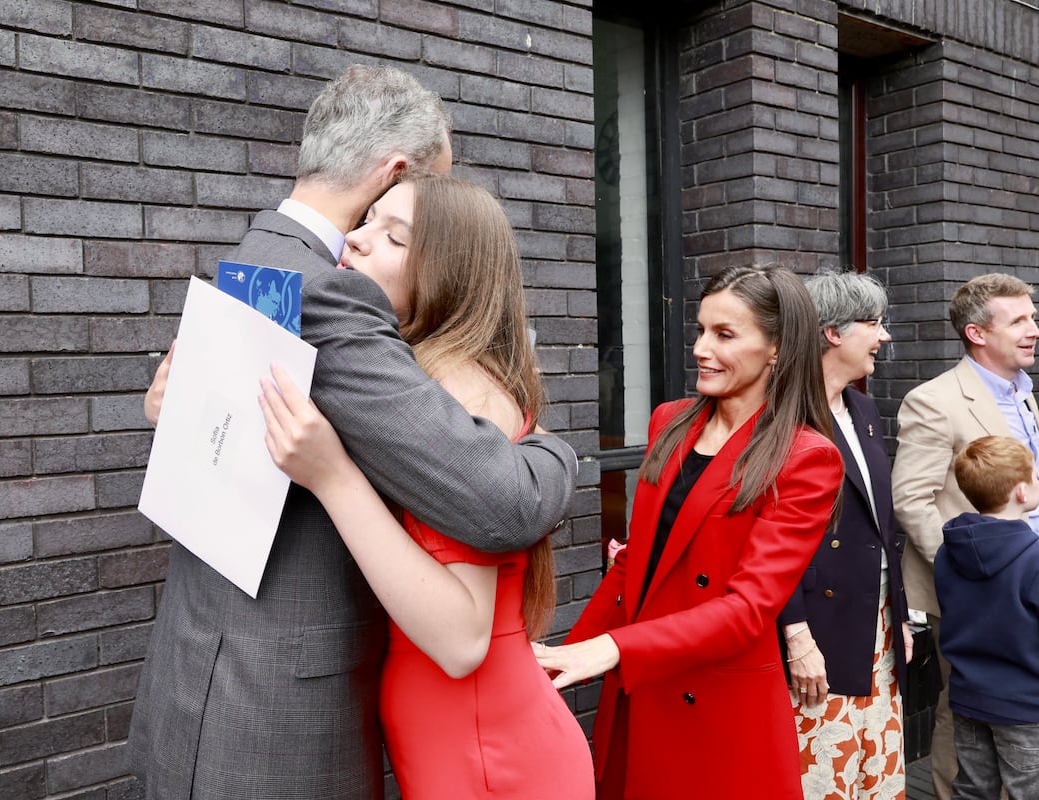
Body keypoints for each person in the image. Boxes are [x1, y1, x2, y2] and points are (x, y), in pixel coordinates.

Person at [125, 66, 579, 800]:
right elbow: (500, 502)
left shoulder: (256, 257)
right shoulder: (328, 291)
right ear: (393, 175)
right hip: (272, 716)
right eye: (425, 193)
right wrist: (555, 451)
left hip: (206, 682)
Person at [258, 174, 593, 800]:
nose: (354, 240)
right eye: (366, 221)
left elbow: (461, 639)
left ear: (448, 271)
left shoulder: (459, 387)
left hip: (491, 753)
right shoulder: (410, 378)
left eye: (393, 236)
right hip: (458, 739)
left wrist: (333, 477)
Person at [534, 264, 844, 800]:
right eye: (701, 330)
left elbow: (749, 610)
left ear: (776, 349)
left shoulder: (806, 458)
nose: (701, 348)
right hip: (643, 684)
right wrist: (566, 659)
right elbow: (637, 564)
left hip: (718, 707)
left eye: (725, 335)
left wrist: (613, 648)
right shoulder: (670, 421)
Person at [891, 272, 1039, 800]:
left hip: (1030, 583)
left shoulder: (1024, 394)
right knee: (967, 708)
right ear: (978, 333)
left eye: (1033, 316)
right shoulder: (934, 400)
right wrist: (966, 575)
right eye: (1019, 319)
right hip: (972, 592)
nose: (1034, 329)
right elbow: (912, 499)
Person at [780, 270, 912, 800]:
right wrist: (796, 633)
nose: (883, 337)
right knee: (822, 774)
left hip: (874, 619)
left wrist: (898, 615)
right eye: (874, 324)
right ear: (833, 332)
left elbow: (882, 525)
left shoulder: (862, 409)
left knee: (875, 770)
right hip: (815, 628)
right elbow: (764, 537)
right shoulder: (782, 414)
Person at [935, 435, 1039, 800]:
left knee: (972, 790)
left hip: (968, 698)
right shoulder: (1033, 558)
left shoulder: (948, 553)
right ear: (1022, 492)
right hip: (1026, 706)